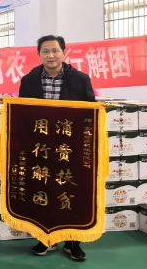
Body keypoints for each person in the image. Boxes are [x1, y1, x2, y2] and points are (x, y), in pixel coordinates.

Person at [18, 35, 95, 261]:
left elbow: (91, 112)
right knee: (43, 191)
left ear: (64, 52)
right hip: (40, 148)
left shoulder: (81, 79)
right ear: (38, 54)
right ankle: (45, 239)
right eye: (46, 51)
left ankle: (73, 242)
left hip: (70, 148)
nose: (51, 55)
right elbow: (22, 112)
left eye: (55, 51)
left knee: (71, 192)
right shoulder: (29, 80)